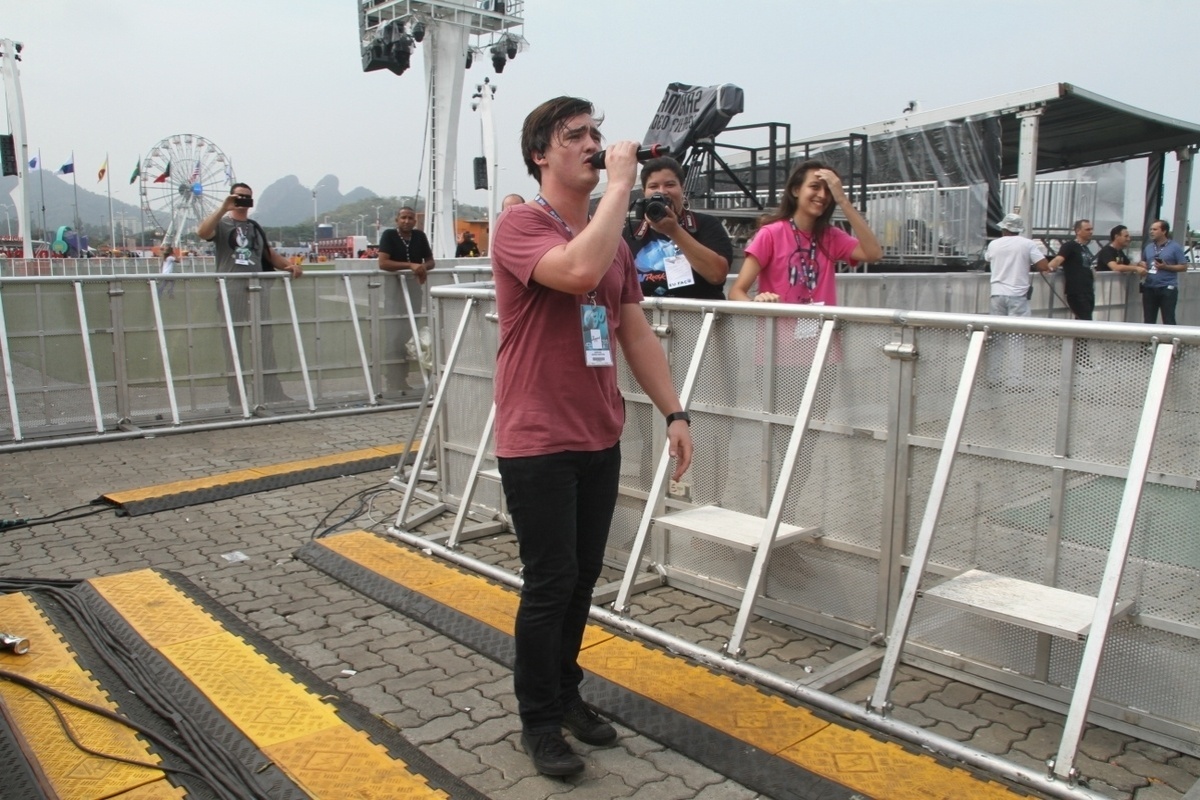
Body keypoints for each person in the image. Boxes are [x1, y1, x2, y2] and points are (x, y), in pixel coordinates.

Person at [490, 96, 693, 777]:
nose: (591, 144)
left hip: (596, 433)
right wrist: (623, 184)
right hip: (537, 438)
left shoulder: (612, 243)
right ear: (540, 155)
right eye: (573, 136)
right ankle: (539, 721)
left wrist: (675, 412)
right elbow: (573, 271)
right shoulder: (520, 225)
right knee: (549, 581)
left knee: (580, 580)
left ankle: (567, 692)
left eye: (596, 135)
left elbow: (633, 329)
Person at [197, 182, 302, 406]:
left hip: (257, 290)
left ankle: (271, 392)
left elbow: (268, 253)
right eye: (239, 196)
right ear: (231, 198)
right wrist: (224, 207)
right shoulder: (222, 224)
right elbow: (203, 232)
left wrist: (289, 266)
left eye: (247, 197)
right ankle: (237, 396)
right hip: (230, 290)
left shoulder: (255, 227)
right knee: (233, 343)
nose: (243, 201)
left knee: (265, 340)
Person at [730, 159, 882, 304]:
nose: (822, 195)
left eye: (828, 190)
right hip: (776, 330)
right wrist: (757, 303)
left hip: (822, 329)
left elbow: (874, 254)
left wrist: (842, 199)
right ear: (796, 190)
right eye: (815, 187)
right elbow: (736, 292)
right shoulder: (770, 233)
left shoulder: (832, 235)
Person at [623, 156, 732, 300]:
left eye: (669, 185)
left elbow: (717, 275)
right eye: (653, 186)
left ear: (682, 188)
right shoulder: (633, 231)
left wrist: (674, 231)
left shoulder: (706, 224)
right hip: (645, 317)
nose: (661, 192)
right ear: (644, 192)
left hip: (697, 316)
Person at [377, 207, 435, 392]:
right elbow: (383, 262)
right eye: (403, 217)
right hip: (394, 294)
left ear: (415, 221)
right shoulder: (389, 235)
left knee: (409, 335)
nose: (407, 221)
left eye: (410, 218)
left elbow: (431, 261)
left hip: (414, 292)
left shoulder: (419, 236)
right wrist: (410, 265)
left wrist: (422, 267)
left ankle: (402, 379)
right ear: (397, 219)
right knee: (394, 336)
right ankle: (393, 380)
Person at [983, 213, 1050, 316]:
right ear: (1019, 229)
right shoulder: (1027, 244)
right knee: (1017, 329)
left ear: (1003, 228)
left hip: (997, 294)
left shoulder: (993, 244)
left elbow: (987, 258)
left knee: (997, 329)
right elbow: (1044, 266)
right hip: (1018, 294)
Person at [1141, 219, 1189, 325]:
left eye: (1155, 229)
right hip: (1150, 287)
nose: (1151, 232)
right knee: (1148, 318)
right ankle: (1148, 340)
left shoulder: (1175, 247)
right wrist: (1142, 264)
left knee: (1168, 318)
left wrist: (1166, 267)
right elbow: (1144, 261)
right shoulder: (1149, 247)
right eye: (1150, 229)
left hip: (1167, 287)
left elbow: (1183, 266)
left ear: (1164, 231)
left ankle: (1170, 340)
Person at [1047, 219, 1096, 320]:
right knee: (1085, 320)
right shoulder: (1070, 246)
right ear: (1078, 231)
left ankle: (1080, 336)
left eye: (1091, 229)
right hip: (1077, 291)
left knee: (1084, 320)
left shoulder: (1085, 248)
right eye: (1087, 229)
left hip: (1088, 290)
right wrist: (1046, 268)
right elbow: (1058, 259)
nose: (1090, 232)